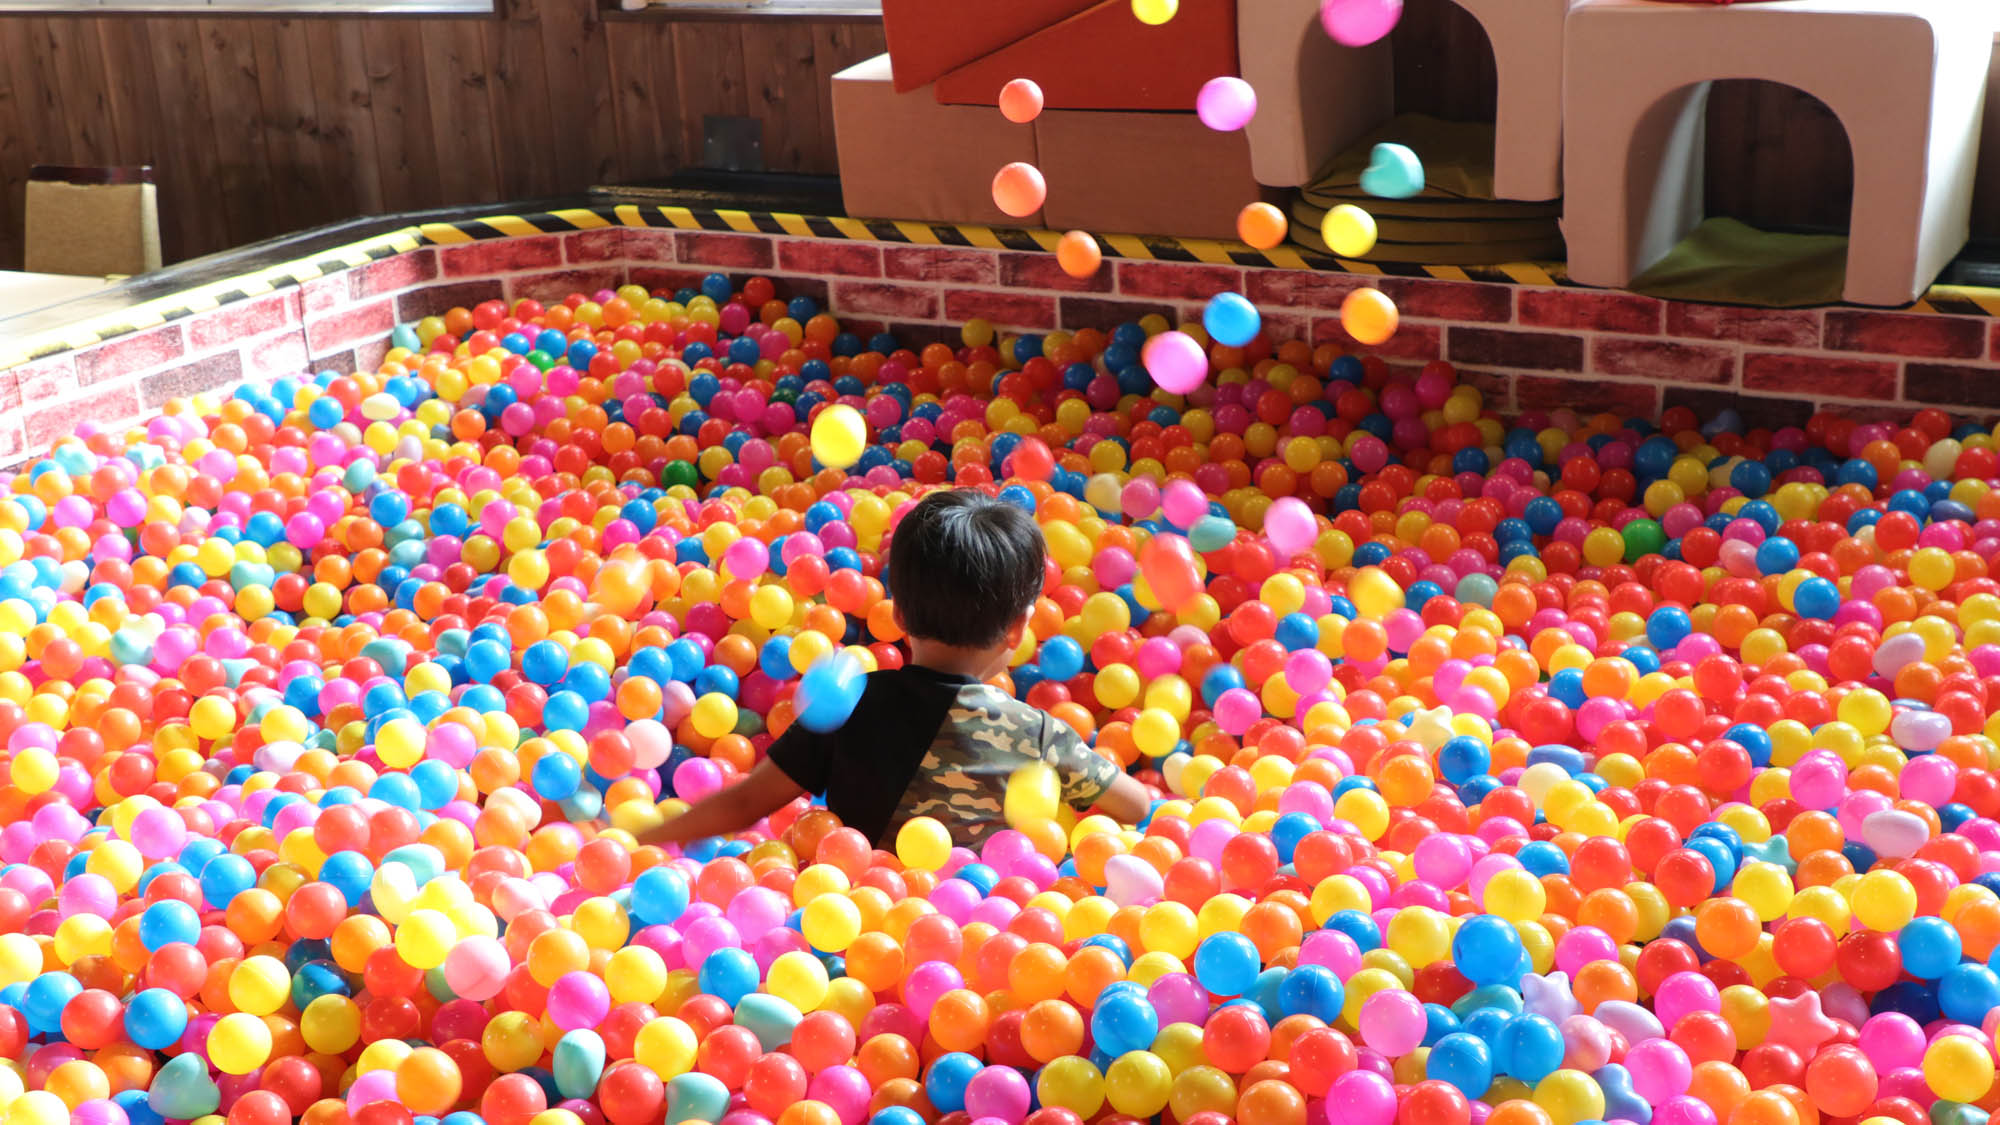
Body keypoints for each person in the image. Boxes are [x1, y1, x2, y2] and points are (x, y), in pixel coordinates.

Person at [639, 488, 1150, 850]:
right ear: (1016, 631)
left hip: (845, 919)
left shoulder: (849, 705)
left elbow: (743, 804)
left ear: (898, 615)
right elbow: (1134, 807)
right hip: (972, 938)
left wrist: (643, 841)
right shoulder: (1038, 736)